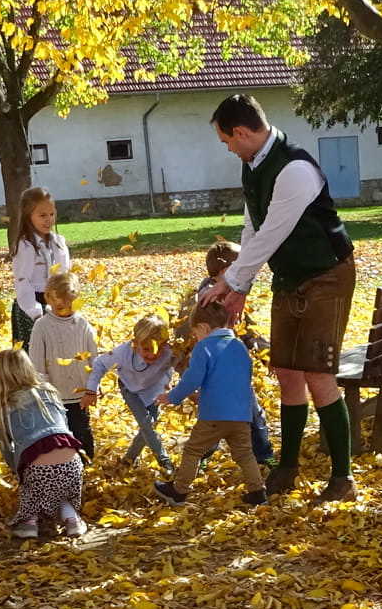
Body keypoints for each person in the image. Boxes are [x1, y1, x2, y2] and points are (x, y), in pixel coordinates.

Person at [197, 93, 357, 505]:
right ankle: (287, 467)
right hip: (289, 276)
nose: (227, 149)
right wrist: (240, 286)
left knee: (317, 374)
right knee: (287, 371)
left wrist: (230, 281)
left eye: (226, 141)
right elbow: (253, 227)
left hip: (326, 275)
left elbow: (273, 234)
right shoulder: (253, 164)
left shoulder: (295, 169)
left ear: (242, 132)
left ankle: (342, 477)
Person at [152, 302, 268, 509]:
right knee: (244, 453)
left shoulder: (204, 347)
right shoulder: (239, 346)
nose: (196, 337)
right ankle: (258, 491)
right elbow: (243, 377)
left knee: (193, 450)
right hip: (241, 414)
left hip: (214, 414)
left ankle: (179, 490)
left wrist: (173, 397)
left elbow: (193, 378)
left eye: (195, 333)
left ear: (204, 327)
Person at [175, 238, 274, 466]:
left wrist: (268, 354)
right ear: (224, 271)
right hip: (214, 372)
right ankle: (263, 457)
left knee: (235, 416)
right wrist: (187, 377)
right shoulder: (204, 303)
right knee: (233, 417)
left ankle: (261, 457)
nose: (247, 273)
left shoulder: (230, 296)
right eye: (240, 268)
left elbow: (248, 332)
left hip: (229, 370)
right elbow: (183, 342)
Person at [0, 348, 86, 539]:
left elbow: (6, 447)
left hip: (37, 468)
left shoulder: (5, 404)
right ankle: (72, 520)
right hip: (73, 462)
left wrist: (17, 471)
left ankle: (28, 523)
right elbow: (65, 426)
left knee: (33, 488)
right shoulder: (49, 391)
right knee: (61, 492)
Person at [87, 314, 175, 475]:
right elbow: (100, 363)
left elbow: (182, 365)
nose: (153, 354)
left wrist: (174, 381)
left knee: (147, 428)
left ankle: (129, 459)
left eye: (159, 348)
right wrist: (91, 389)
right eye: (147, 349)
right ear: (135, 344)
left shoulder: (169, 352)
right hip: (130, 389)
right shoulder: (123, 352)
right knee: (146, 424)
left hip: (155, 391)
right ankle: (164, 461)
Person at [26, 272, 98, 461]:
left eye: (69, 304)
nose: (64, 308)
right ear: (48, 299)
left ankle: (86, 465)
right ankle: (65, 466)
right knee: (60, 434)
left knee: (81, 430)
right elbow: (37, 363)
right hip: (55, 395)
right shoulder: (42, 326)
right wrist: (44, 392)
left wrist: (93, 388)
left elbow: (94, 358)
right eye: (59, 305)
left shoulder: (82, 324)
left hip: (80, 393)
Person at [10, 185, 71, 348]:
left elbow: (64, 273)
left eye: (51, 214)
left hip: (58, 303)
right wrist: (36, 312)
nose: (48, 219)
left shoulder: (58, 242)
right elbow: (22, 281)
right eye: (42, 215)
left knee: (60, 351)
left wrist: (66, 302)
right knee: (36, 352)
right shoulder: (26, 246)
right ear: (28, 216)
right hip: (32, 306)